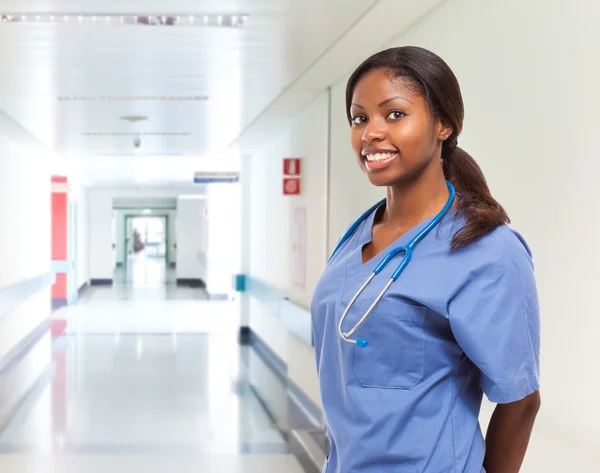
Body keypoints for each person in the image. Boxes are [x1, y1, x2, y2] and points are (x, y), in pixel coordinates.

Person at [311, 46, 541, 473]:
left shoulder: (486, 250)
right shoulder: (356, 238)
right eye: (359, 118)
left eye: (394, 114)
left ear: (444, 125)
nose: (370, 133)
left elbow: (521, 401)